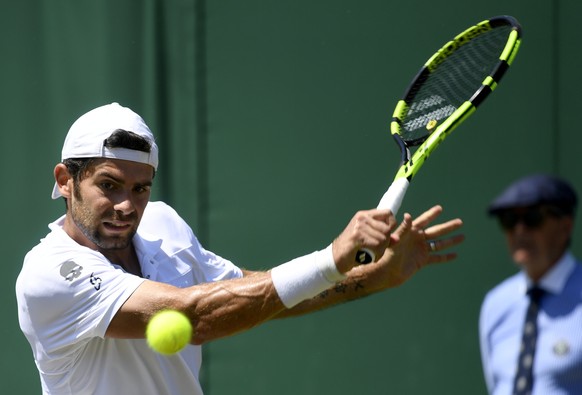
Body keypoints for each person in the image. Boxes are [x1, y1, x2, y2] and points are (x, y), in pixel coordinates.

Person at [16, 103, 464, 395]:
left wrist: (371, 277)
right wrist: (331, 257)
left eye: (140, 189)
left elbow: (257, 295)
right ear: (64, 181)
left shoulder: (163, 224)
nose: (126, 205)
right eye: (108, 186)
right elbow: (191, 316)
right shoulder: (50, 274)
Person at [479, 174, 582, 395]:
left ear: (565, 227)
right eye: (509, 220)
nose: (520, 231)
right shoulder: (495, 303)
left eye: (533, 218)